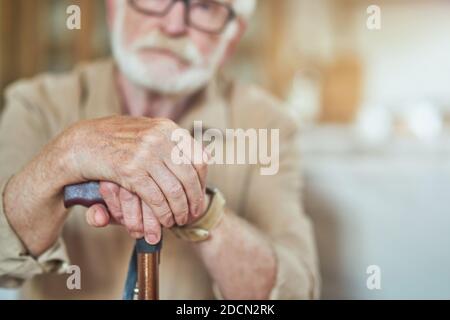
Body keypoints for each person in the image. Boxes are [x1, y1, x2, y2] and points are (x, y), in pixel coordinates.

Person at [0, 0, 320, 299]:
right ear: (114, 7)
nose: (174, 24)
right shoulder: (35, 105)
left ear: (232, 36)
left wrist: (197, 206)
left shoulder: (269, 123)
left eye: (205, 5)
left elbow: (297, 290)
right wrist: (69, 153)